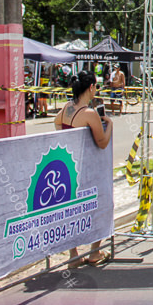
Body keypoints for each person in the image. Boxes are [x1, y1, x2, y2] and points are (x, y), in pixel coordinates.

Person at [54, 71, 112, 266]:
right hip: (87, 169)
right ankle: (95, 251)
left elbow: (57, 123)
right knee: (101, 206)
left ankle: (74, 255)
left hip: (68, 168)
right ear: (91, 88)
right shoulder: (89, 113)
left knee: (72, 211)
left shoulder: (67, 107)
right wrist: (109, 124)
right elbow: (102, 142)